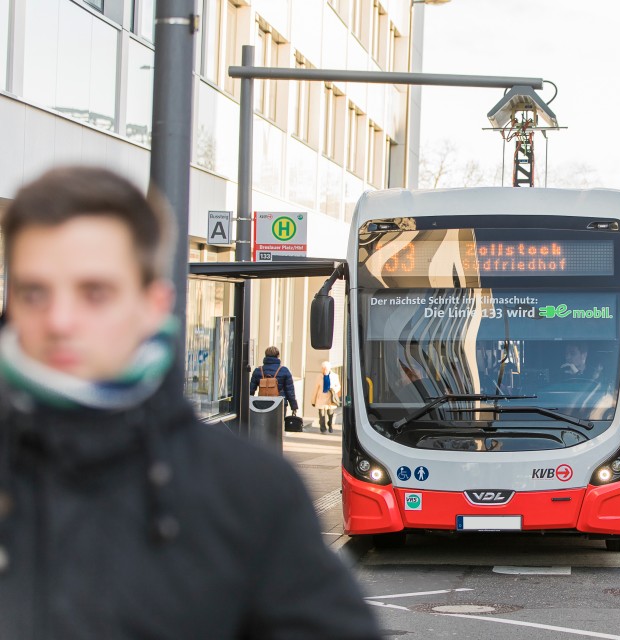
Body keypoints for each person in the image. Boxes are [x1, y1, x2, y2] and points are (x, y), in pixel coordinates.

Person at [0, 167, 380, 639]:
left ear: (153, 304)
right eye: (34, 292)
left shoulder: (251, 492)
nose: (58, 320)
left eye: (93, 292)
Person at [250, 346, 299, 417]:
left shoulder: (258, 370)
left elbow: (251, 390)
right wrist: (294, 406)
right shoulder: (284, 370)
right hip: (279, 404)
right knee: (279, 426)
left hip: (262, 403)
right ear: (278, 356)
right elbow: (290, 391)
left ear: (265, 355)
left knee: (263, 425)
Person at [311, 360, 341, 432]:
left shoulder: (335, 376)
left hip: (330, 398)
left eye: (325, 368)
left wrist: (334, 389)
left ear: (329, 369)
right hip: (321, 398)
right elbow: (315, 389)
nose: (324, 370)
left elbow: (338, 386)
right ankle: (323, 428)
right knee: (321, 414)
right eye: (323, 368)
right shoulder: (319, 376)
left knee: (330, 413)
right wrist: (313, 400)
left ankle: (330, 424)